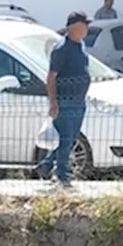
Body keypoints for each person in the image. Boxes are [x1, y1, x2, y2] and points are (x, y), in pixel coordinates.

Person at [37, 12, 91, 188]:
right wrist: (53, 103)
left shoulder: (81, 45)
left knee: (70, 139)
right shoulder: (61, 49)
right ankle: (62, 175)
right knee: (66, 138)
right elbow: (51, 77)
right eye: (85, 24)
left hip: (79, 101)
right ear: (74, 27)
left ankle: (46, 165)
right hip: (65, 101)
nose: (87, 28)